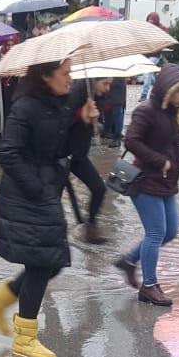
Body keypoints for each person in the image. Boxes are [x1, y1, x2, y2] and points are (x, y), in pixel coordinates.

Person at [0, 58, 98, 357]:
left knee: (50, 261)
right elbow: (8, 153)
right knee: (45, 262)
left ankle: (0, 300)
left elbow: (66, 152)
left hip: (45, 193)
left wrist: (83, 122)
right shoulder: (26, 106)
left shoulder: (57, 104)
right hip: (28, 196)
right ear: (46, 75)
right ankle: (25, 338)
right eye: (65, 73)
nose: (70, 79)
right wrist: (37, 189)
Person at [114, 64, 179, 307]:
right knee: (156, 232)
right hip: (146, 181)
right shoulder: (146, 111)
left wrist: (177, 162)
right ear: (168, 89)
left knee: (169, 232)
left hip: (167, 183)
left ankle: (128, 261)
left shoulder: (177, 112)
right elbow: (131, 140)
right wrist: (161, 162)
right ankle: (149, 286)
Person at [67, 77, 111, 244]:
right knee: (55, 198)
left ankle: (90, 227)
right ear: (94, 81)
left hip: (79, 156)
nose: (107, 88)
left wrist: (96, 124)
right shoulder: (74, 94)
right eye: (105, 83)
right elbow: (62, 121)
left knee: (99, 189)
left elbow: (98, 127)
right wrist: (81, 115)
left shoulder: (95, 97)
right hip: (62, 156)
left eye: (110, 84)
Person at [140, 12, 168, 102]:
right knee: (149, 75)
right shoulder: (145, 29)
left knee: (147, 73)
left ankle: (144, 94)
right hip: (146, 55)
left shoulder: (159, 30)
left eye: (151, 22)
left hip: (154, 56)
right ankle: (161, 88)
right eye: (148, 21)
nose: (149, 23)